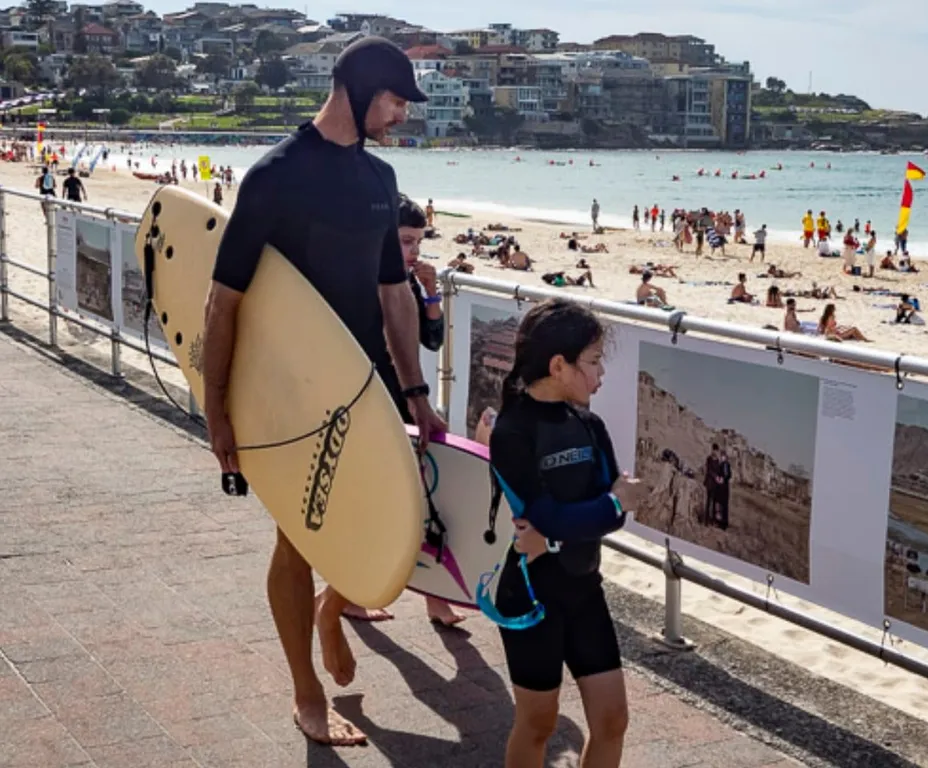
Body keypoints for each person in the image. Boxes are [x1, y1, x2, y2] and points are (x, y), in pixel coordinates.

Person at [202, 37, 445, 747]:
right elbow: (225, 300)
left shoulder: (378, 178)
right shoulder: (276, 176)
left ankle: (329, 610)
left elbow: (393, 293)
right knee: (298, 537)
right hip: (288, 395)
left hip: (366, 386)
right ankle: (307, 693)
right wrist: (217, 410)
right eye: (396, 100)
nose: (401, 115)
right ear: (361, 90)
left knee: (391, 516)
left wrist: (418, 394)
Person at [487, 298, 644, 768]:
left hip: (582, 586)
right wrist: (607, 505)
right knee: (538, 724)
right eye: (593, 362)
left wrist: (567, 529)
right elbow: (554, 513)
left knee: (612, 719)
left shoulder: (589, 425)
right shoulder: (513, 431)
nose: (600, 374)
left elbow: (610, 515)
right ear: (559, 365)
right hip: (530, 596)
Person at [328, 193, 465, 627]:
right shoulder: (359, 280)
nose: (412, 253)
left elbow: (433, 341)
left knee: (427, 498)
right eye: (405, 242)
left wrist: (430, 293)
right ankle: (342, 594)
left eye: (418, 245)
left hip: (409, 402)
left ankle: (434, 598)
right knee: (372, 503)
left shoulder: (405, 281)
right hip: (372, 404)